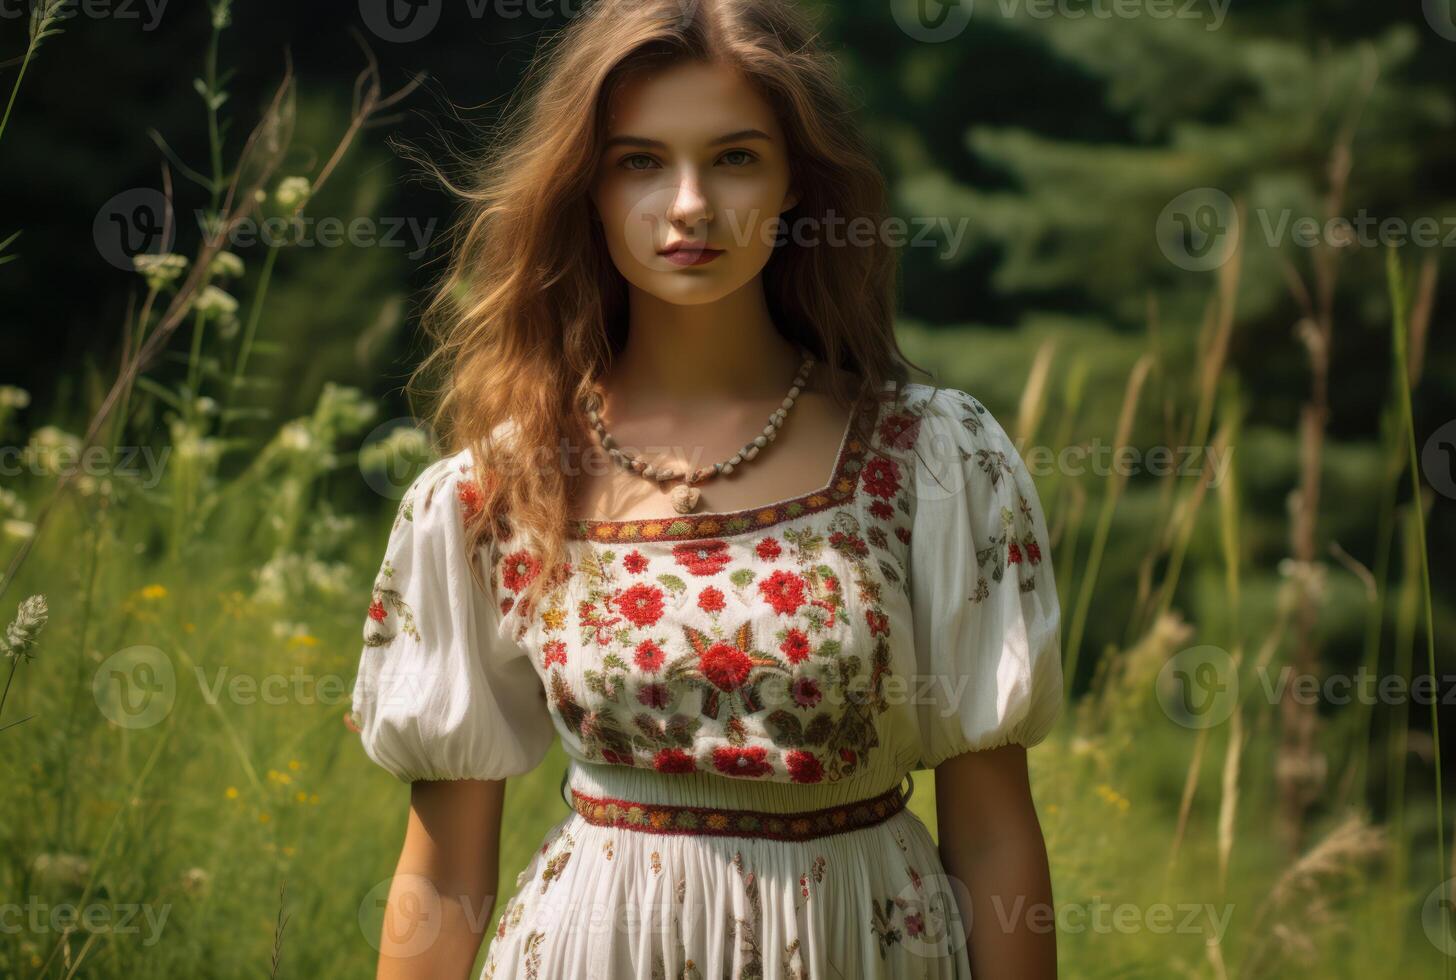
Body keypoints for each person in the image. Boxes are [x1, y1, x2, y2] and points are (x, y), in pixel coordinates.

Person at [349, 2, 1064, 976]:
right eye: (640, 161)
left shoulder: (936, 460)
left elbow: (991, 842)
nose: (689, 204)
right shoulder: (498, 491)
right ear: (585, 191)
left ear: (797, 186)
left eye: (734, 158)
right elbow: (443, 871)